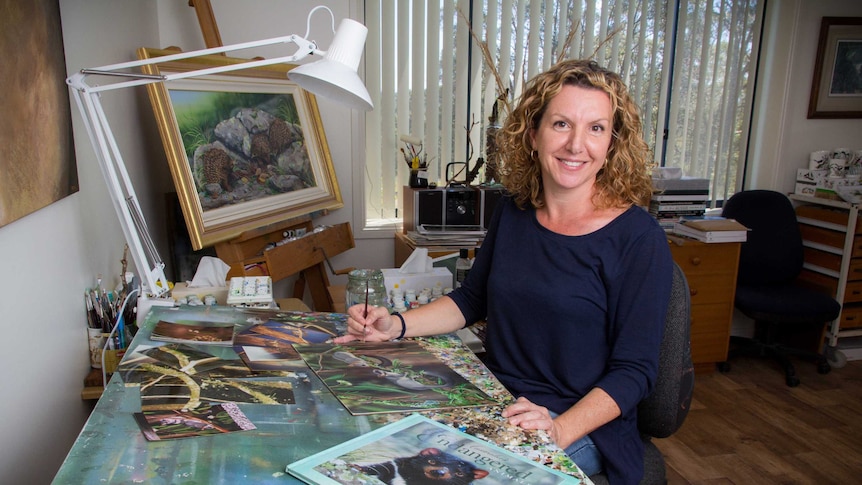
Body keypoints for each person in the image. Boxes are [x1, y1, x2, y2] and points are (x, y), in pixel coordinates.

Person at [335, 59, 672, 485]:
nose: (576, 145)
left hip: (578, 424)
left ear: (611, 143)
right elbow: (472, 299)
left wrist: (558, 428)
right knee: (370, 442)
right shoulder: (514, 213)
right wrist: (394, 326)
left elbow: (635, 372)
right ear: (533, 135)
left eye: (596, 128)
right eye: (562, 124)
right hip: (494, 397)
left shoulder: (639, 239)